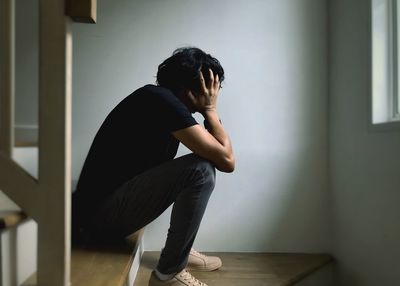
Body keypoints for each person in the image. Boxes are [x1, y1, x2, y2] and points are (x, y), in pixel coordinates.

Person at [72, 47, 235, 286]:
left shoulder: (164, 102)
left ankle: (180, 249)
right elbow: (227, 160)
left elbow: (222, 156)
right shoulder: (159, 99)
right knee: (200, 170)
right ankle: (168, 273)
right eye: (210, 85)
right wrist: (210, 110)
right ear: (193, 85)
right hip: (95, 221)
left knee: (200, 166)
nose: (213, 93)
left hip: (104, 214)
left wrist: (208, 110)